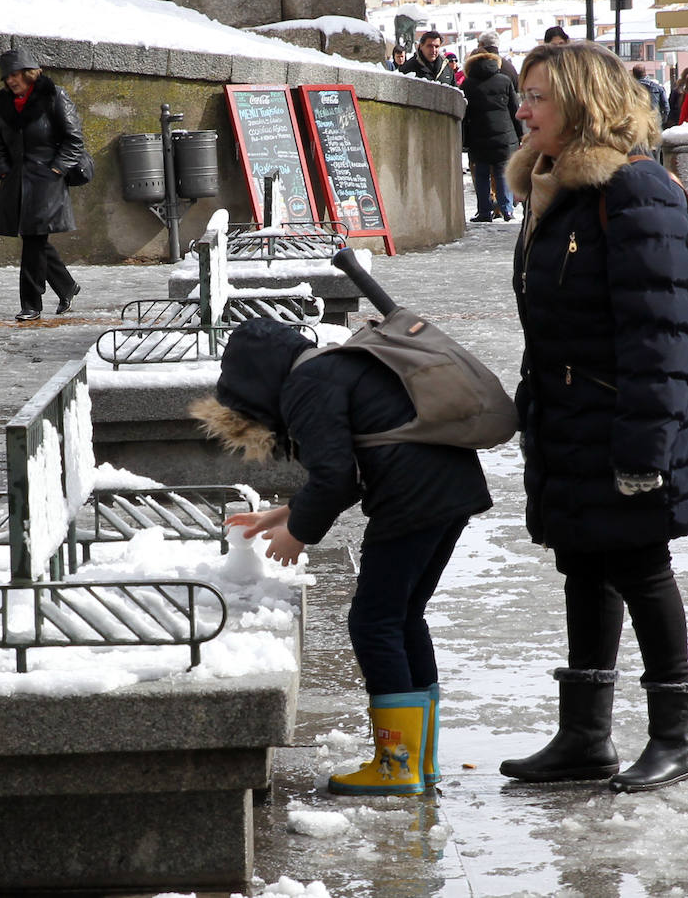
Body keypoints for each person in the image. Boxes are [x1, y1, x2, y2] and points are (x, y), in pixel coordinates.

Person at [190, 317, 492, 796]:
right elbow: (360, 459)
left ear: (254, 379)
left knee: (373, 623)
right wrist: (284, 514)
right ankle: (419, 760)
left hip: (413, 499)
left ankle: (397, 766)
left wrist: (298, 534)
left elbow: (335, 478)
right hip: (448, 488)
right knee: (403, 617)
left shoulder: (306, 385)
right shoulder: (330, 368)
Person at [501, 41, 688, 794]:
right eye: (521, 95)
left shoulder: (635, 188)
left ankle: (677, 734)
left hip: (621, 419)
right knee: (582, 559)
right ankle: (584, 736)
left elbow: (660, 332)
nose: (522, 111)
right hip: (569, 414)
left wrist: (645, 445)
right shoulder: (553, 187)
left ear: (582, 103)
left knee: (639, 564)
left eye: (537, 97)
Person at [0, 48, 83, 322]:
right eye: (7, 77)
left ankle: (31, 303)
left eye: (15, 74)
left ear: (29, 72)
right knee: (34, 238)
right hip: (16, 181)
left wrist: (57, 168)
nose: (11, 81)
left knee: (33, 239)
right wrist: (4, 170)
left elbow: (74, 139)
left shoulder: (54, 96)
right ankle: (66, 285)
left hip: (47, 180)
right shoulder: (3, 104)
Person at [462, 49, 522, 222]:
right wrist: (520, 134)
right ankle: (507, 210)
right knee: (502, 172)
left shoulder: (467, 84)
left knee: (481, 174)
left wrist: (464, 140)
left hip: (478, 136)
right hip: (504, 136)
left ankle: (484, 212)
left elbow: (464, 115)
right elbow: (514, 109)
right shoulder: (504, 80)